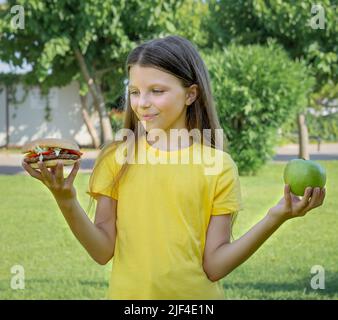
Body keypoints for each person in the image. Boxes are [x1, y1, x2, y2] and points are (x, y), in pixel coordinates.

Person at [22, 35, 326, 300]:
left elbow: (215, 265)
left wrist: (277, 216)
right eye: (135, 91)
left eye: (157, 91)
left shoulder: (217, 166)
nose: (142, 103)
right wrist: (66, 200)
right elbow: (102, 251)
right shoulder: (117, 158)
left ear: (190, 94)